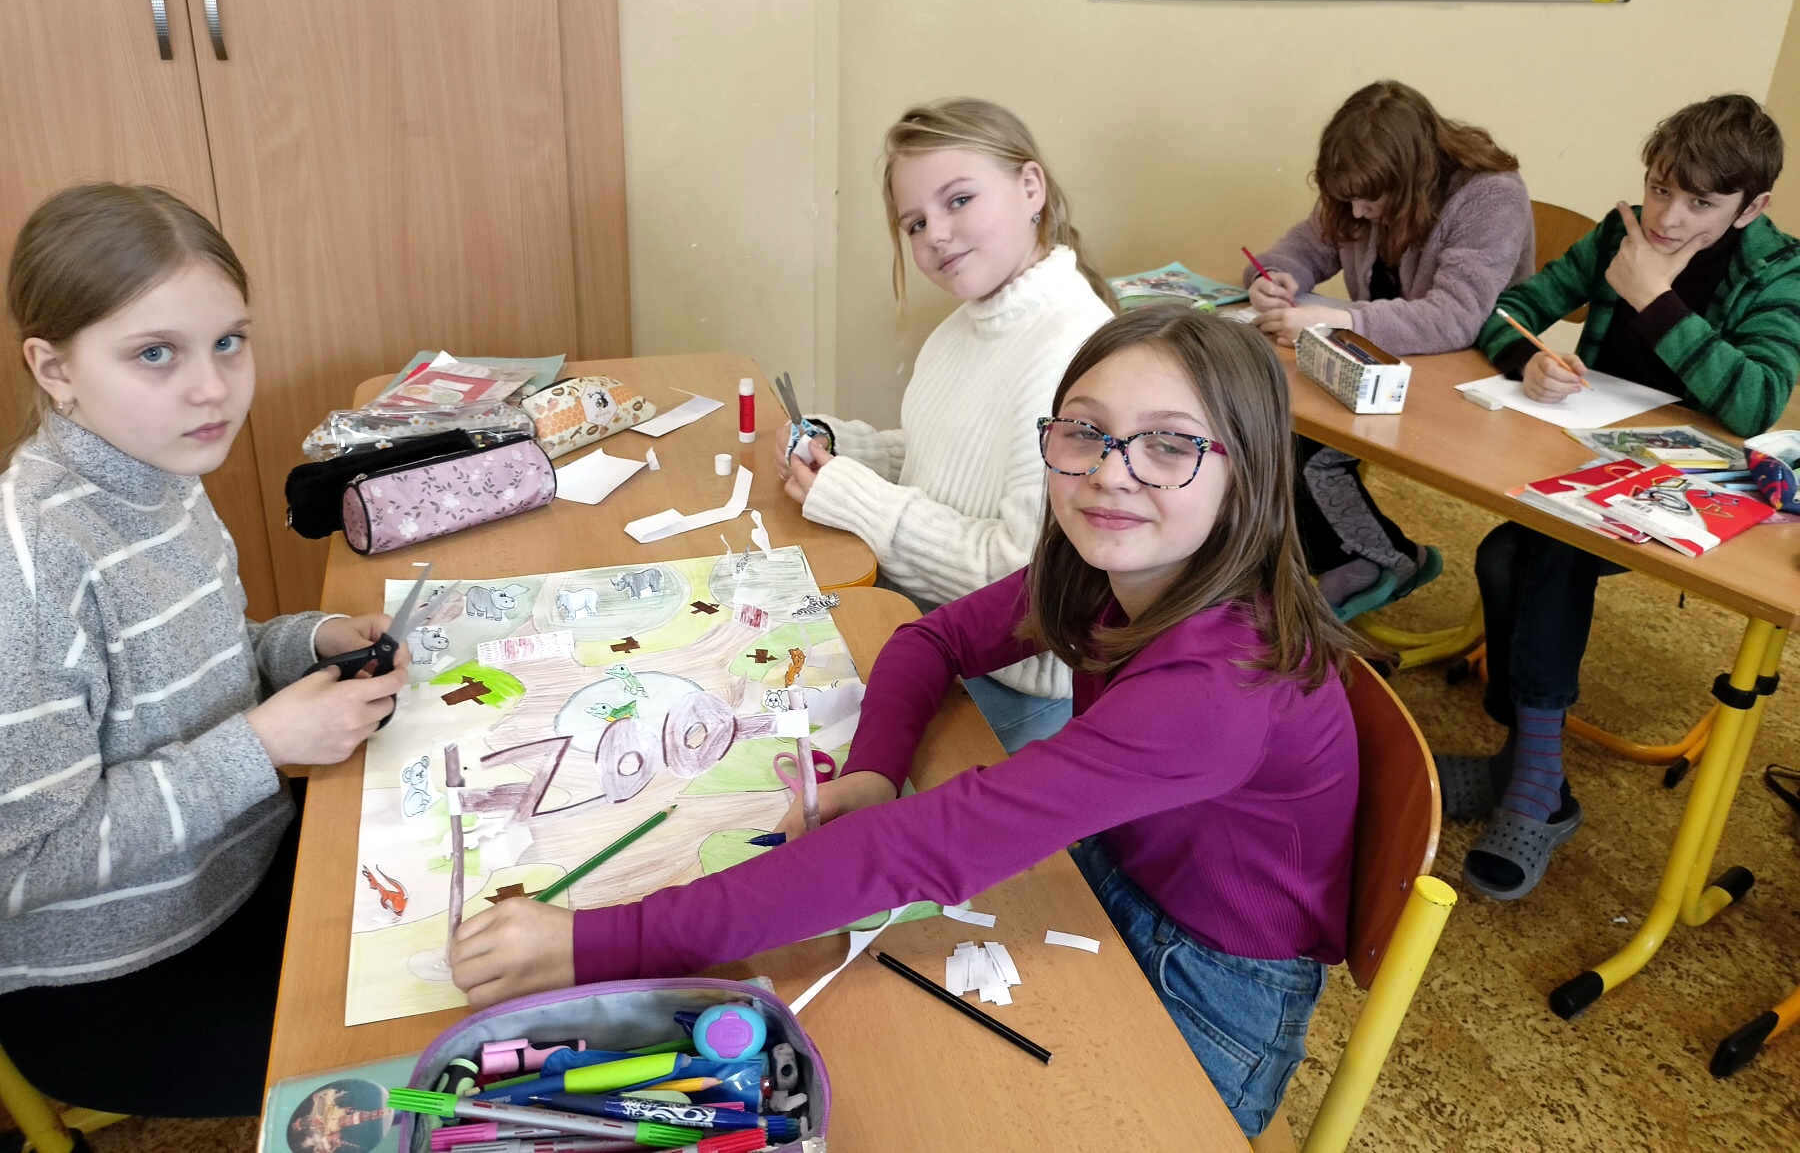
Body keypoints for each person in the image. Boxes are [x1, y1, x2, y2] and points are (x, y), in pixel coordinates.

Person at [450, 305, 1364, 1139]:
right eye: (1085, 432)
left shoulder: (1220, 683)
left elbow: (927, 847)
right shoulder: (1109, 567)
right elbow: (931, 639)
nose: (1109, 472)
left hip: (1211, 983)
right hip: (1117, 871)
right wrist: (876, 770)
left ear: (1247, 472)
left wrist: (599, 941)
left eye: (1169, 446)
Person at [0, 185, 406, 1117]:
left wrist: (309, 642)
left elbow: (202, 660)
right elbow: (23, 864)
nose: (212, 387)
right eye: (155, 353)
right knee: (431, 1053)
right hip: (117, 982)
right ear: (54, 369)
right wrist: (261, 746)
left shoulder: (159, 468)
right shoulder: (29, 566)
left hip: (243, 873)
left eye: (228, 341)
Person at [1439, 94, 1800, 901]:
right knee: (1503, 556)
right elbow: (1505, 309)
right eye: (1660, 188)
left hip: (1700, 487)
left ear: (1752, 208)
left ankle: (1532, 781)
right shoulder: (1620, 231)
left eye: (1700, 203)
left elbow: (1756, 401)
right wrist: (1527, 359)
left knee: (1548, 551)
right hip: (1593, 455)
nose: (1667, 218)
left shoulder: (1781, 269)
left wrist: (1654, 299)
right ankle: (1528, 768)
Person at [776, 98, 1115, 751]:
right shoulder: (963, 327)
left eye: (959, 200)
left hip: (1010, 683)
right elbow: (942, 461)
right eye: (915, 222)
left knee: (785, 739)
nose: (935, 233)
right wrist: (844, 449)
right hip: (929, 627)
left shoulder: (1071, 350)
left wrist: (855, 497)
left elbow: (1026, 581)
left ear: (1031, 187)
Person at [1244, 80, 1534, 618]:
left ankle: (1380, 560)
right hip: (1381, 361)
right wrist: (1274, 276)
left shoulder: (1491, 196)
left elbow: (1456, 317)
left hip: (1464, 375)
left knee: (1306, 452)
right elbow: (1307, 245)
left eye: (1370, 200)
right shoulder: (1367, 185)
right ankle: (1347, 557)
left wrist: (1339, 319)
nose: (1357, 211)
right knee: (1266, 422)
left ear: (1413, 179)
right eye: (1346, 198)